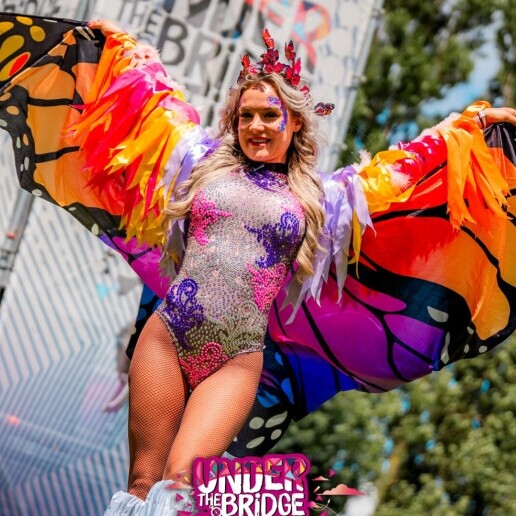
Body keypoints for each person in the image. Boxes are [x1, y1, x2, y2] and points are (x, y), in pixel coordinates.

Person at [0, 15, 515, 516]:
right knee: (140, 483)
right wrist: (116, 53)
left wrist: (468, 127)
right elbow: (150, 104)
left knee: (179, 484)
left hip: (235, 361)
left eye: (269, 115)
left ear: (292, 123)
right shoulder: (195, 162)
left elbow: (402, 170)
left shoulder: (325, 201)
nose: (256, 126)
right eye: (245, 116)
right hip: (166, 337)